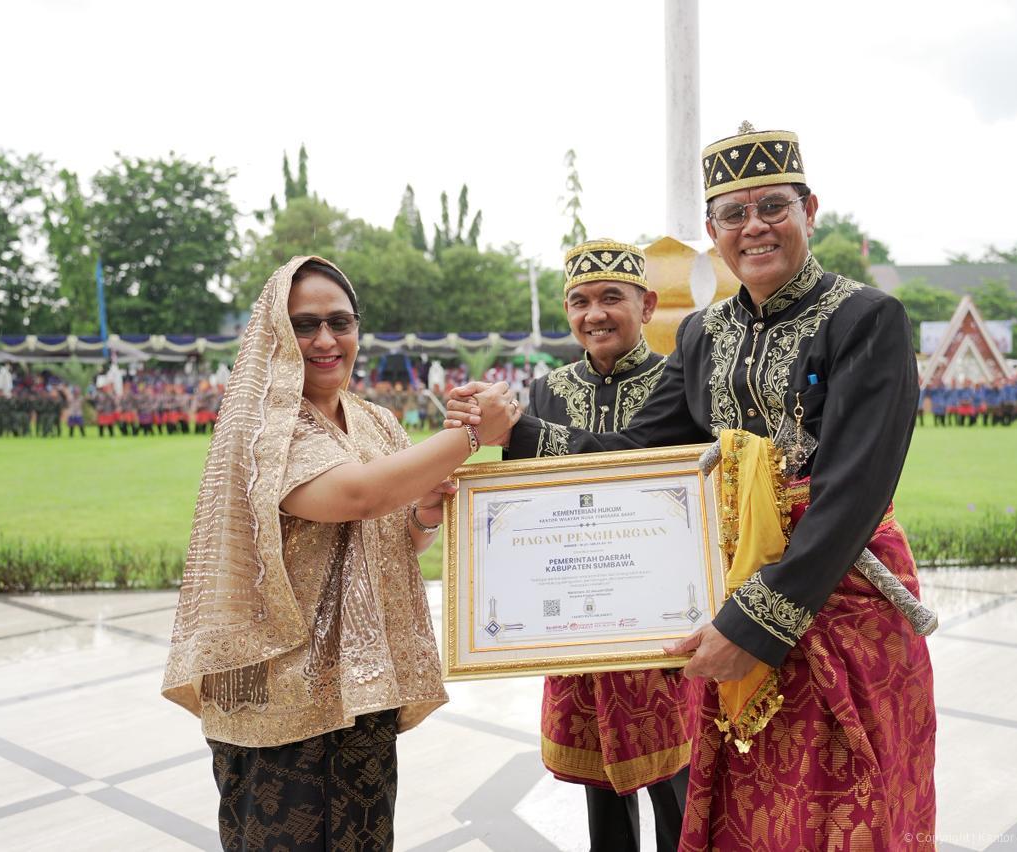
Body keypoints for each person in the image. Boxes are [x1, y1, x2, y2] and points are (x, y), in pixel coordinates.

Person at [450, 124, 935, 849]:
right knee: (748, 809)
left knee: (843, 806)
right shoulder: (705, 334)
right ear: (714, 232)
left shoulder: (866, 318)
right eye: (734, 215)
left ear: (810, 210)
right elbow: (636, 452)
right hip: (728, 587)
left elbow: (854, 491)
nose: (755, 227)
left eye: (773, 206)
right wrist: (514, 431)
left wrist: (755, 627)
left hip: (841, 599)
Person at [162, 256, 519, 851]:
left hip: (362, 693)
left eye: (340, 322)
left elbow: (402, 534)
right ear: (275, 332)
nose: (326, 340)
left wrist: (427, 507)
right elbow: (357, 496)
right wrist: (471, 436)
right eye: (304, 325)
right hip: (280, 706)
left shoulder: (375, 421)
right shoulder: (263, 428)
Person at [524, 239, 690, 852]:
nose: (594, 313)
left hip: (662, 617)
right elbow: (529, 506)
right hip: (578, 609)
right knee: (600, 786)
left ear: (646, 305)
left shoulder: (680, 380)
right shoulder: (545, 393)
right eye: (579, 301)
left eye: (611, 298)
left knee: (675, 778)